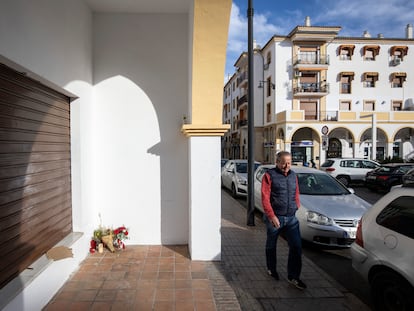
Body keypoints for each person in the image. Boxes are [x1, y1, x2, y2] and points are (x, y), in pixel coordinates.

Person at [261, 151, 307, 290]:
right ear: (277, 162)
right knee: (271, 245)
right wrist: (271, 216)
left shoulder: (293, 175)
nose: (287, 165)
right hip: (276, 217)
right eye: (283, 162)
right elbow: (265, 197)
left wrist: (296, 204)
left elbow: (296, 191)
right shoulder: (269, 175)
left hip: (291, 218)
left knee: (296, 247)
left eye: (289, 162)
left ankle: (293, 276)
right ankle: (271, 269)